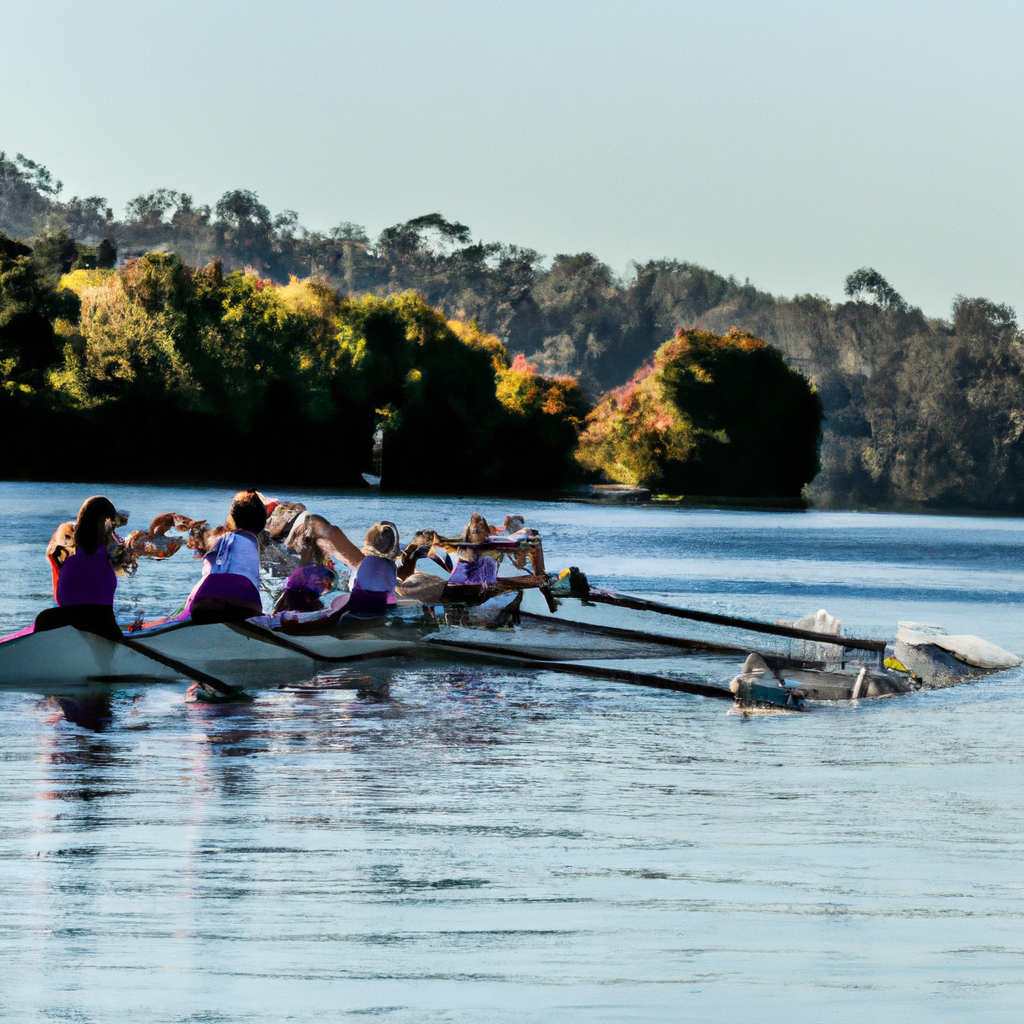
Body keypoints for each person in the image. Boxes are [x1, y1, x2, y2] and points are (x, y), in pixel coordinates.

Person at [35, 495, 124, 639]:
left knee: (44, 619)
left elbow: (62, 600)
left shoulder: (73, 559)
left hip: (86, 620)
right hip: (102, 622)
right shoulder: (107, 553)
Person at [183, 490, 267, 622]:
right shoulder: (253, 545)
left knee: (206, 586)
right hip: (247, 603)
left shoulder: (219, 538)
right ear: (261, 525)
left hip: (207, 601)